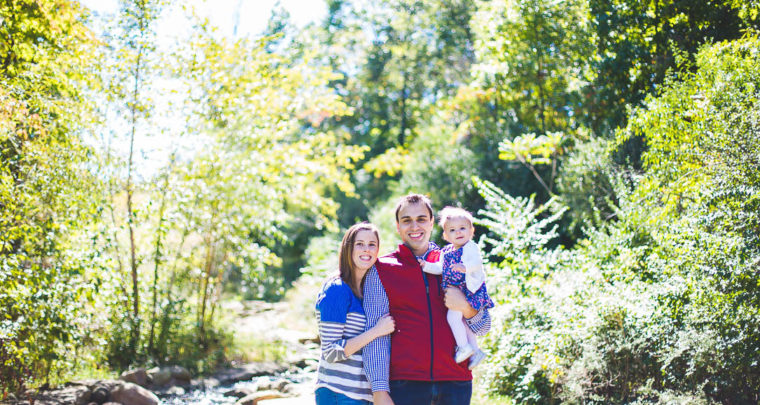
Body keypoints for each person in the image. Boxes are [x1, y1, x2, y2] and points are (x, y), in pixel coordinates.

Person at [362, 194, 492, 405]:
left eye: (421, 219)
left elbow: (484, 326)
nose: (415, 226)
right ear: (398, 226)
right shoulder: (382, 269)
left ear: (432, 223)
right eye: (407, 220)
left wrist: (466, 308)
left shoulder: (458, 263)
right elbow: (376, 333)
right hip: (405, 384)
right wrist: (378, 389)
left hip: (456, 382)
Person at [315, 222, 396, 404]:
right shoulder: (336, 289)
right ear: (348, 248)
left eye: (371, 244)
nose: (366, 249)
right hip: (338, 392)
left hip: (362, 395)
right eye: (359, 244)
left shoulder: (369, 291)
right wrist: (376, 331)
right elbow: (330, 351)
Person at [419, 207, 493, 370]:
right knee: (462, 322)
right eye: (452, 230)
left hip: (467, 291)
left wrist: (465, 267)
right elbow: (440, 268)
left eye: (462, 228)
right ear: (446, 236)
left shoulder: (470, 247)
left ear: (471, 231)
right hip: (457, 291)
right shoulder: (446, 252)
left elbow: (477, 263)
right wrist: (426, 266)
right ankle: (475, 350)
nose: (458, 232)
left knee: (453, 318)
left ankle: (463, 347)